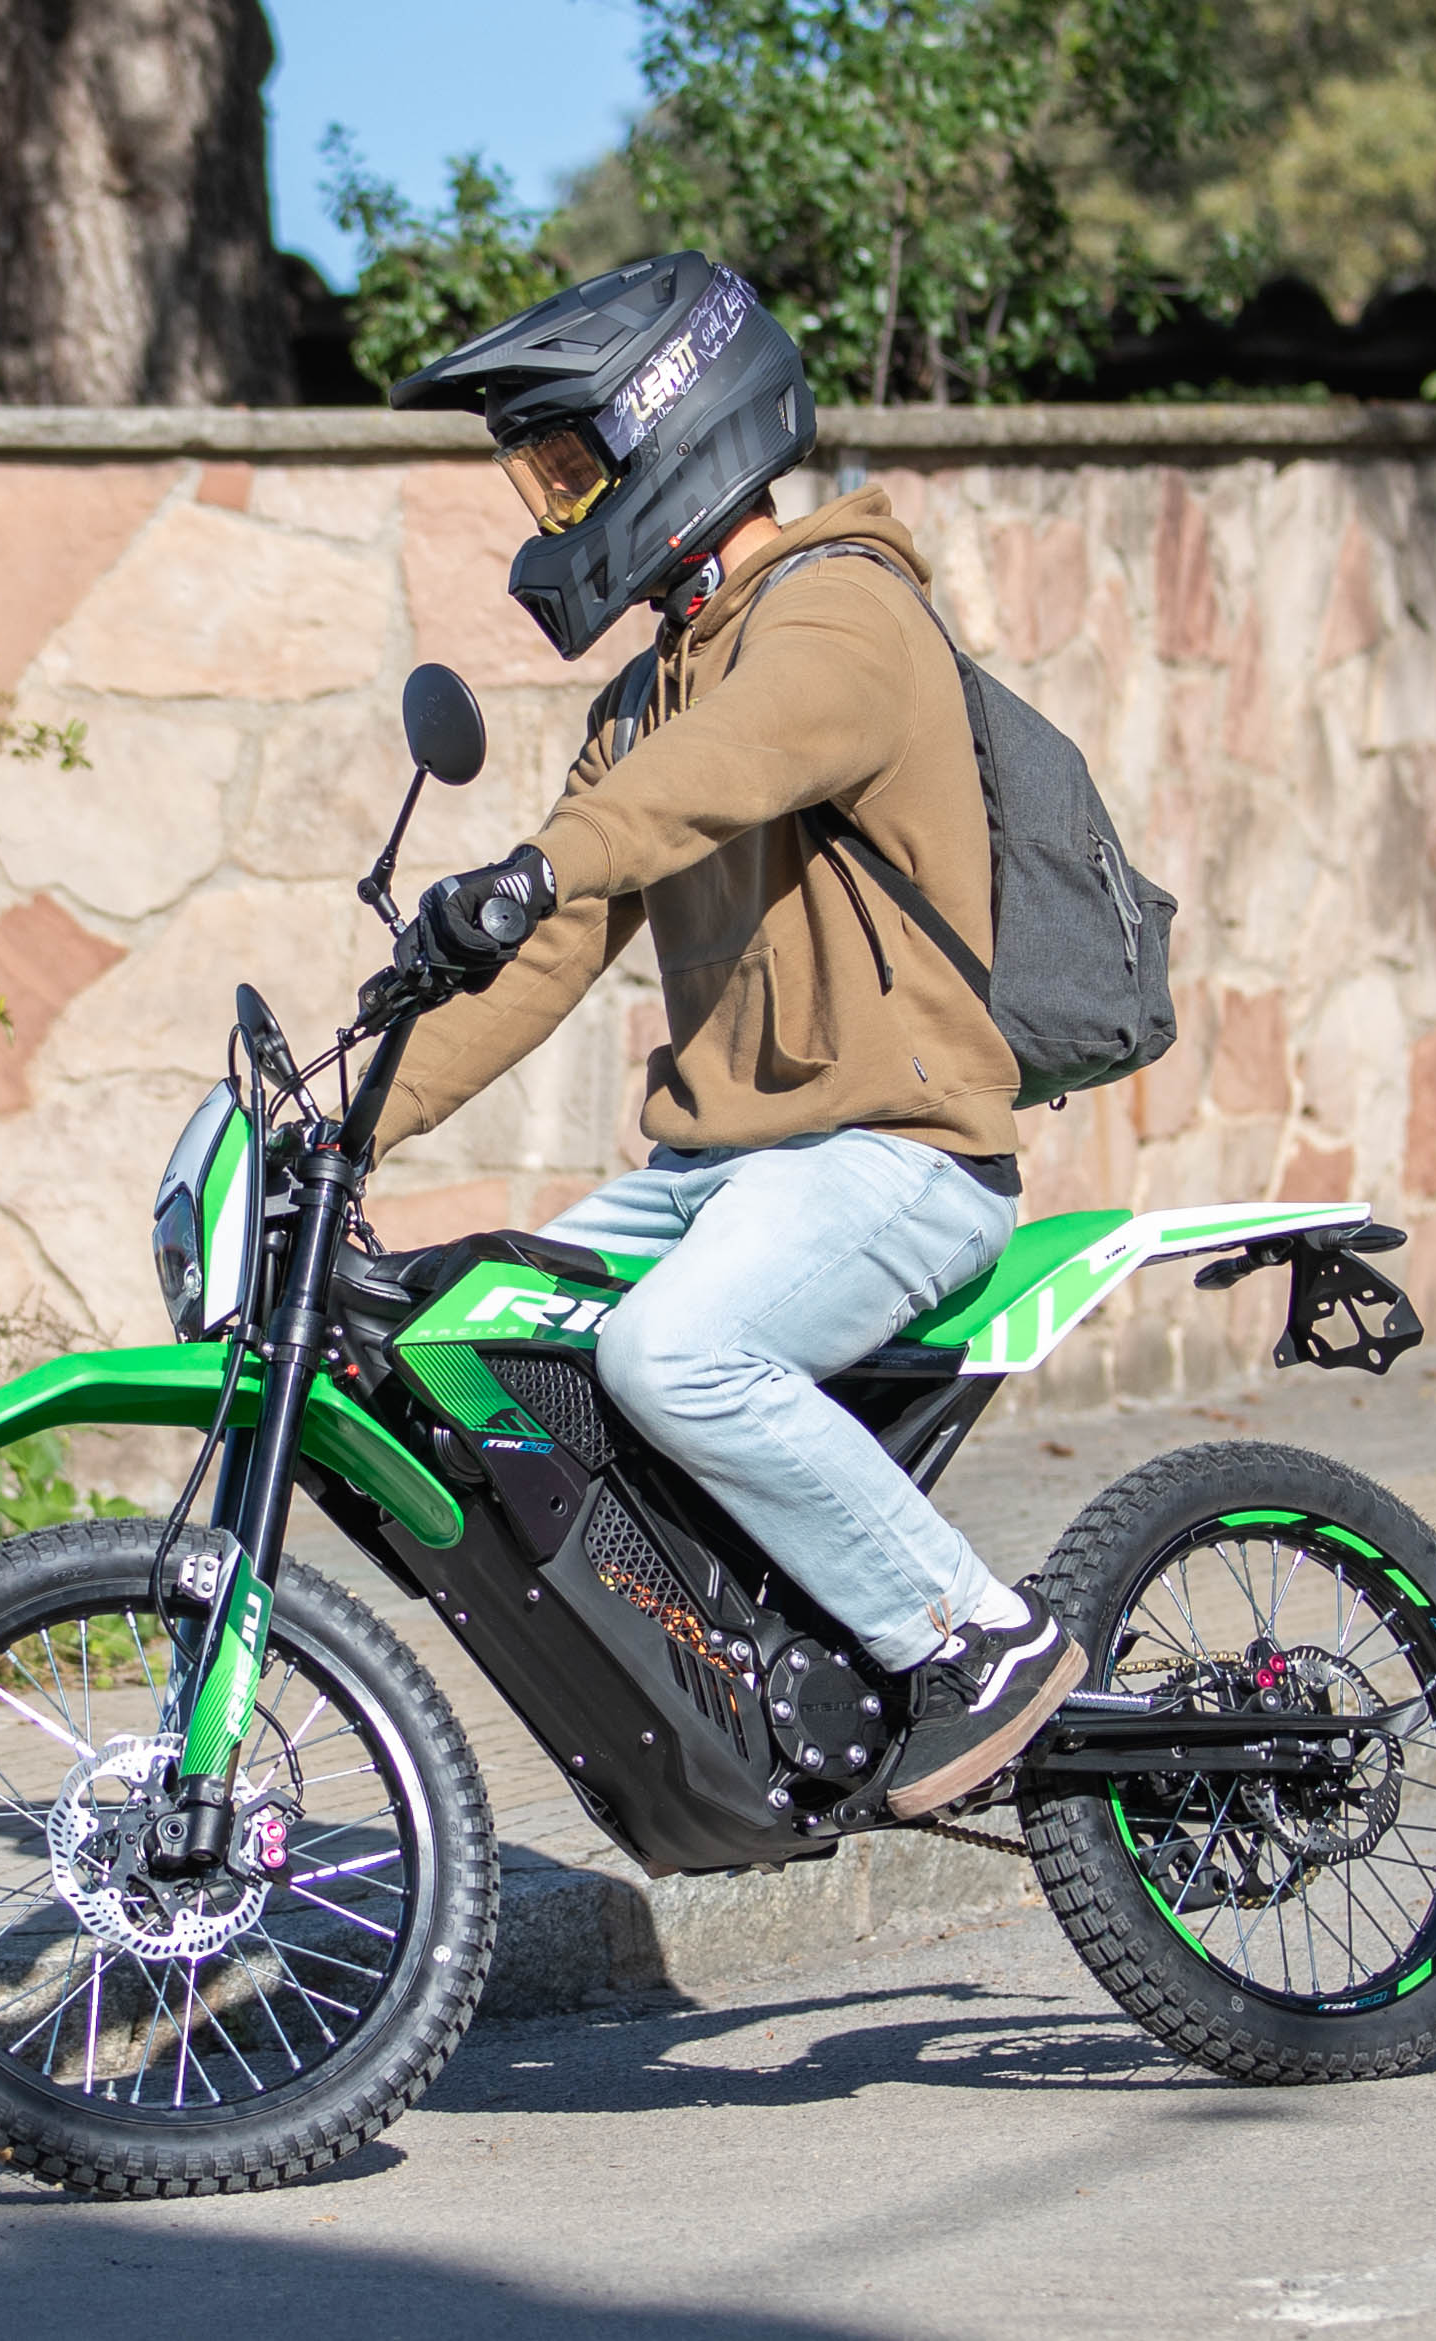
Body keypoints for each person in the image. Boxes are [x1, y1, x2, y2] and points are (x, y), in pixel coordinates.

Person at [375, 251, 1088, 1818]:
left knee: (674, 1352)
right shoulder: (648, 696)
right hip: (717, 1175)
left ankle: (976, 1634)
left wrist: (545, 855)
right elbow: (548, 954)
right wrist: (344, 1116)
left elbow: (737, 760)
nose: (556, 512)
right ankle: (745, 1668)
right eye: (542, 481)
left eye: (572, 470)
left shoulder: (846, 606)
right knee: (479, 1346)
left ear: (675, 426)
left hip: (898, 1155)